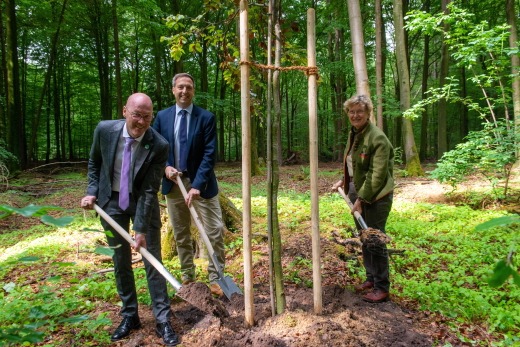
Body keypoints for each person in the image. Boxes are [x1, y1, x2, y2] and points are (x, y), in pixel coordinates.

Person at [80, 93, 180, 345]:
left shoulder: (159, 145)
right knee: (120, 260)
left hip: (140, 203)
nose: (141, 122)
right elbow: (95, 162)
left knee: (152, 259)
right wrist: (92, 191)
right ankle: (130, 315)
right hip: (110, 202)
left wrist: (141, 229)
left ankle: (162, 319)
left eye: (147, 117)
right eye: (136, 115)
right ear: (125, 111)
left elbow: (149, 190)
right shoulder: (104, 130)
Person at [153, 73, 226, 297]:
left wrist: (197, 185)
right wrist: (165, 167)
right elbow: (156, 148)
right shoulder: (162, 117)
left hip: (201, 185)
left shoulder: (206, 118)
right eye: (180, 87)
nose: (184, 91)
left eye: (189, 88)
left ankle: (217, 278)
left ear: (193, 91)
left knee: (214, 231)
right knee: (181, 233)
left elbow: (209, 154)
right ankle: (188, 278)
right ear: (173, 90)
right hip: (173, 184)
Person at [332, 94, 394, 303]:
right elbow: (355, 164)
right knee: (364, 237)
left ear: (368, 113)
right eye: (351, 111)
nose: (355, 115)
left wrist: (361, 199)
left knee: (375, 239)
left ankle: (382, 287)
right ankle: (371, 278)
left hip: (376, 196)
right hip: (357, 191)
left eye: (359, 111)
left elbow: (377, 175)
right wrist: (344, 181)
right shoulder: (355, 133)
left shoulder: (377, 138)